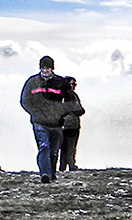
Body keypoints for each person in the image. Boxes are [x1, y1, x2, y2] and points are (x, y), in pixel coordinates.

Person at [20, 55, 79, 183]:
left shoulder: (61, 83)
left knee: (53, 151)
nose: (45, 70)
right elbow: (25, 100)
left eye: (47, 68)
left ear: (52, 68)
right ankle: (45, 174)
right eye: (43, 68)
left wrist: (61, 113)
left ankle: (51, 174)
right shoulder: (32, 82)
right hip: (39, 122)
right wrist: (35, 113)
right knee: (44, 147)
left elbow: (70, 99)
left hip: (56, 123)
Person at [58, 76, 84, 172]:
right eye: (72, 84)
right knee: (70, 146)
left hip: (62, 124)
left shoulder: (58, 95)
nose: (74, 86)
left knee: (64, 147)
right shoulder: (71, 95)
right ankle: (71, 165)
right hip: (71, 124)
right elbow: (78, 109)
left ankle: (63, 166)